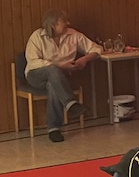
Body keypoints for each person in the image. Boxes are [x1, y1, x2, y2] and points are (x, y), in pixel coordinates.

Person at [24, 9, 99, 142]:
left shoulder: (73, 34)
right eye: (64, 21)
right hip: (36, 75)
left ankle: (54, 129)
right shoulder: (37, 37)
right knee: (52, 69)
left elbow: (96, 48)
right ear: (53, 25)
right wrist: (59, 66)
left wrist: (84, 59)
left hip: (59, 79)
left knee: (52, 84)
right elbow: (33, 62)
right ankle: (70, 103)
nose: (68, 23)